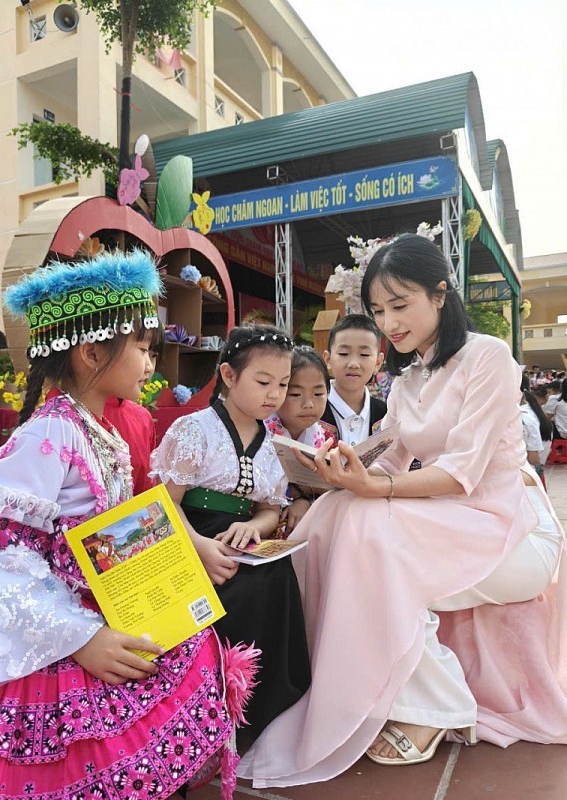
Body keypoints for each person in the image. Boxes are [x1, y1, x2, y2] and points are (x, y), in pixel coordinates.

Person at [239, 233, 565, 788]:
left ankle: (440, 704)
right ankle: (327, 679)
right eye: (378, 310)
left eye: (400, 304)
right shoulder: (410, 379)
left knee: (363, 521)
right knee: (330, 517)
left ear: (440, 295)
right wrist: (336, 469)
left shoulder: (487, 358)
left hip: (506, 528)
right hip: (446, 526)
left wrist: (371, 489)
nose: (389, 323)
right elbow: (391, 459)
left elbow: (461, 472)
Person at [0, 251, 246, 799]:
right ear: (92, 351)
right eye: (143, 348)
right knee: (87, 758)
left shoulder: (98, 431)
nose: (151, 363)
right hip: (64, 635)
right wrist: (80, 639)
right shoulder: (48, 434)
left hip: (109, 606)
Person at [150, 325, 311, 735]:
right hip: (190, 536)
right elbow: (163, 503)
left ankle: (262, 707)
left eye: (283, 384)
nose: (274, 394)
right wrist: (200, 547)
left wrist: (253, 526)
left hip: (242, 539)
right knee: (244, 586)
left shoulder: (271, 443)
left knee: (276, 576)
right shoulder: (193, 429)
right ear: (228, 376)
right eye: (263, 382)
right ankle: (211, 709)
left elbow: (269, 509)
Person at [264, 346, 332, 535]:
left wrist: (304, 501)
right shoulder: (259, 432)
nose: (309, 404)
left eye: (318, 394)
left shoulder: (324, 438)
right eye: (295, 394)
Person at [320, 314, 386, 445]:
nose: (354, 364)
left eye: (364, 354)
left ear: (378, 362)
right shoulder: (312, 410)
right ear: (328, 359)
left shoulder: (386, 414)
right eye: (344, 354)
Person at [520, 383, 553, 476]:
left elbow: (533, 459)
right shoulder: (535, 414)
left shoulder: (525, 418)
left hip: (527, 470)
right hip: (536, 464)